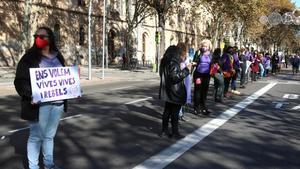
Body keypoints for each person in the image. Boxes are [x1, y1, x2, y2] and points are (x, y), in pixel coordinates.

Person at [14, 27, 67, 169]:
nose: (39, 39)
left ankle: (49, 165)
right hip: (39, 106)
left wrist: (72, 90)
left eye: (43, 36)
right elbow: (20, 81)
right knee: (36, 137)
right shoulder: (29, 58)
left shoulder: (58, 56)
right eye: (36, 36)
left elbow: (64, 78)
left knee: (49, 137)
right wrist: (30, 94)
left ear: (50, 38)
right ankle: (34, 167)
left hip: (57, 104)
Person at [159, 43, 191, 139]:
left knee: (167, 111)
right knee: (174, 113)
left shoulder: (164, 61)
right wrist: (186, 70)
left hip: (167, 91)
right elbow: (175, 77)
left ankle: (164, 131)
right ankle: (174, 133)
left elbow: (163, 75)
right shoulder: (174, 61)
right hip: (175, 92)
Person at [192, 39, 212, 115]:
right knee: (197, 91)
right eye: (203, 46)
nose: (204, 47)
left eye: (206, 46)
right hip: (198, 74)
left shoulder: (211, 54)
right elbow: (194, 61)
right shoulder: (198, 52)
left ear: (209, 46)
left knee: (204, 91)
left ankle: (203, 107)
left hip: (207, 75)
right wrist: (194, 63)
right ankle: (196, 108)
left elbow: (213, 63)